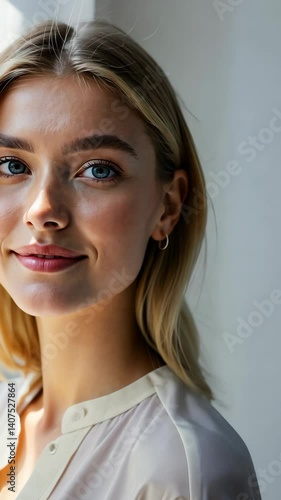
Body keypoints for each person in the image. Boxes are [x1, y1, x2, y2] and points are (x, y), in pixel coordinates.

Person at [0, 19, 261, 500]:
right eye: (12, 166)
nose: (42, 210)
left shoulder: (187, 470)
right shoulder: (11, 405)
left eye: (97, 170)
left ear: (167, 207)